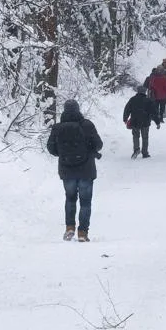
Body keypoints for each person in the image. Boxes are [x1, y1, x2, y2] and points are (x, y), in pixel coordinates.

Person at [45, 99, 102, 241]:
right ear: (78, 109)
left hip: (67, 170)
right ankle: (83, 232)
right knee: (85, 202)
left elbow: (51, 148)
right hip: (86, 170)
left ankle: (69, 227)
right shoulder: (87, 125)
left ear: (64, 110)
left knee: (70, 199)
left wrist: (63, 155)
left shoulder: (57, 128)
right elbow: (98, 144)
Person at [122, 83, 155, 158]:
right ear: (144, 92)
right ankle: (145, 152)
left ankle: (136, 150)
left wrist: (125, 118)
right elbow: (153, 111)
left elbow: (127, 109)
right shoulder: (148, 100)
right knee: (145, 137)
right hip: (145, 122)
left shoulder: (133, 99)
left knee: (136, 136)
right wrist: (157, 121)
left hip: (135, 121)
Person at [146, 61, 166, 126]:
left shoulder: (153, 77)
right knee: (162, 107)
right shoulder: (164, 78)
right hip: (163, 96)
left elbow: (151, 85)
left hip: (155, 95)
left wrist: (150, 91)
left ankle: (157, 117)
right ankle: (161, 118)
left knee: (156, 107)